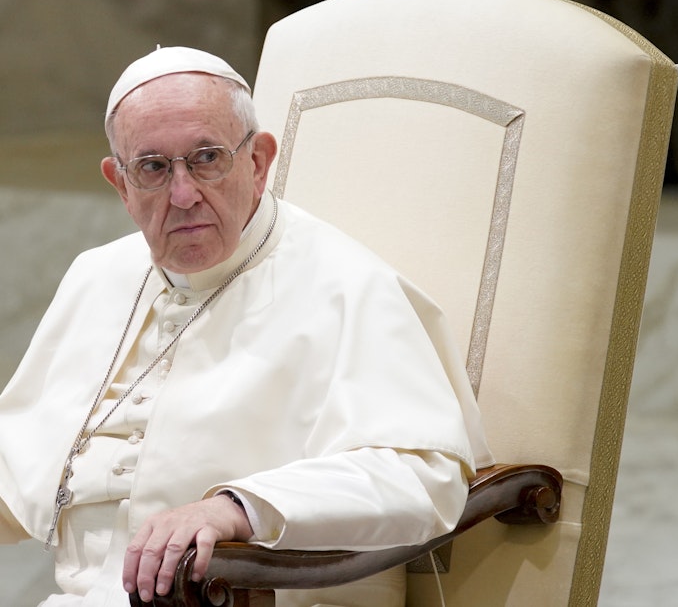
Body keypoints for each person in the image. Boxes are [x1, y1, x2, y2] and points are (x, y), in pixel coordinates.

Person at [0, 46, 493, 607]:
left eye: (207, 158)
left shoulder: (347, 285)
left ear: (258, 162)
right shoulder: (98, 275)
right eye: (154, 169)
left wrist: (238, 507)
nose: (183, 196)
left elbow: (422, 476)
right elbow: (16, 465)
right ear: (120, 183)